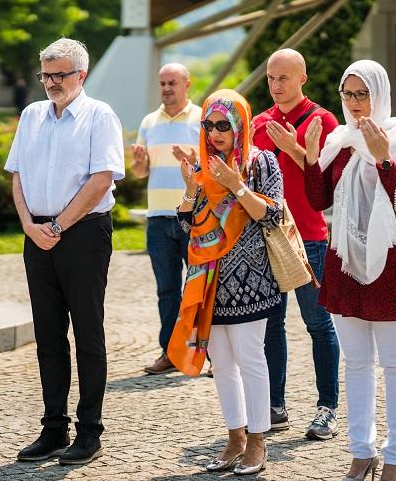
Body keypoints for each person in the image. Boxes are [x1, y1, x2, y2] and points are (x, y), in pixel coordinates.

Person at [303, 60, 396, 481]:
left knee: (395, 362)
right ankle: (361, 452)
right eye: (348, 95)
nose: (356, 104)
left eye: (363, 94)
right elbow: (318, 198)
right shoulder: (341, 139)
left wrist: (383, 159)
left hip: (390, 259)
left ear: (380, 93)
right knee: (356, 363)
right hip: (344, 259)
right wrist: (308, 156)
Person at [8, 38, 124, 465]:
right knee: (48, 336)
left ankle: (89, 431)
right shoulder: (31, 115)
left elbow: (101, 179)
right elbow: (16, 175)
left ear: (82, 75)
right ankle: (53, 428)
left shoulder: (100, 115)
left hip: (84, 233)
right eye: (46, 74)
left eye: (60, 74)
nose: (51, 82)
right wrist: (28, 226)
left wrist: (57, 225)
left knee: (88, 334)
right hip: (36, 233)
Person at [168, 89, 284, 475]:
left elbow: (272, 215)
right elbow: (187, 223)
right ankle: (234, 436)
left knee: (251, 359)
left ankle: (258, 440)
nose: (215, 133)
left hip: (251, 281)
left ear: (240, 126)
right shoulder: (203, 165)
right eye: (208, 125)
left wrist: (236, 185)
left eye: (223, 125)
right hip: (209, 281)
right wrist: (190, 187)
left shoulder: (261, 163)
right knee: (221, 363)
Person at [251, 48, 342, 439]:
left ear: (302, 78)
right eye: (271, 77)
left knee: (318, 324)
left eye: (284, 77)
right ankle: (275, 405)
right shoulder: (257, 123)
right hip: (266, 237)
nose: (276, 85)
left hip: (309, 237)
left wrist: (295, 150)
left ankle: (328, 408)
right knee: (270, 326)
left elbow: (331, 184)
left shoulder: (323, 120)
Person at [131, 63, 201, 375]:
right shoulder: (149, 122)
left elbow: (211, 168)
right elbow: (140, 173)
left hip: (194, 216)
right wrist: (140, 163)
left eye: (172, 82)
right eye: (162, 83)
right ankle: (170, 353)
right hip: (158, 218)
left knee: (199, 288)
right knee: (166, 290)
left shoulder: (202, 119)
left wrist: (194, 163)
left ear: (187, 83)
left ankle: (209, 353)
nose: (166, 88)